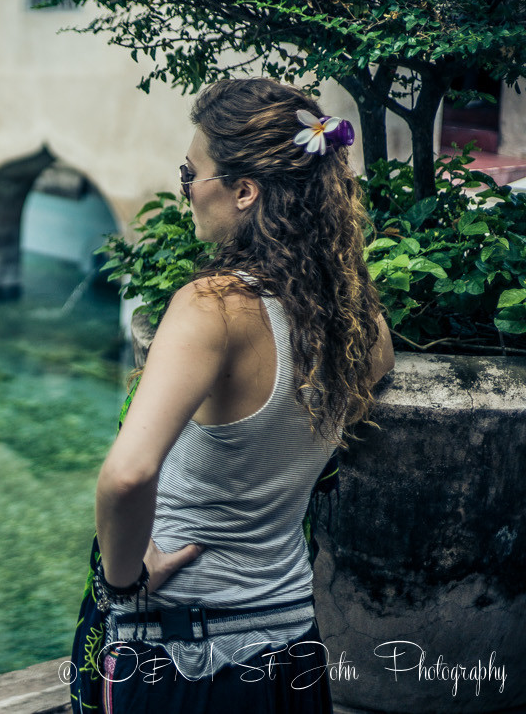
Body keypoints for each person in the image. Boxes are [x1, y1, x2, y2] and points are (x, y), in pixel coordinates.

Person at [77, 78, 395, 713]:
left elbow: (127, 476)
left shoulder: (212, 309)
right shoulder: (356, 320)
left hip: (183, 651)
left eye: (191, 172)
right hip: (290, 648)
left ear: (245, 191)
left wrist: (124, 584)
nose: (187, 188)